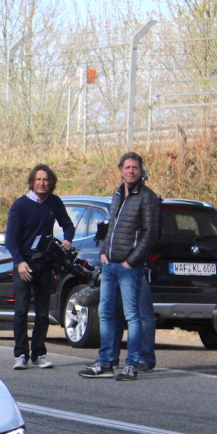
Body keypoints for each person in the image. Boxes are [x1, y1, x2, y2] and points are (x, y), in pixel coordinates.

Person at [81, 152, 160, 381]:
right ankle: (105, 362)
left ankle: (131, 365)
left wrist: (131, 261)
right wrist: (104, 252)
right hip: (110, 265)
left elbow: (150, 233)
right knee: (105, 313)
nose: (131, 171)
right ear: (120, 170)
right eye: (127, 167)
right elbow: (112, 227)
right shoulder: (117, 194)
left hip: (129, 268)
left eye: (135, 167)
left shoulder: (147, 197)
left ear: (141, 170)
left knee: (133, 316)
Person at [5, 164, 73, 370]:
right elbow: (11, 239)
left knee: (42, 313)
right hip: (24, 265)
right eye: (38, 180)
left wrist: (68, 239)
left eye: (45, 180)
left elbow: (67, 225)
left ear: (51, 182)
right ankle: (21, 355)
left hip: (45, 264)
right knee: (21, 312)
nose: (42, 183)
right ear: (32, 182)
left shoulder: (54, 202)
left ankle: (39, 353)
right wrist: (20, 262)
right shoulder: (20, 206)